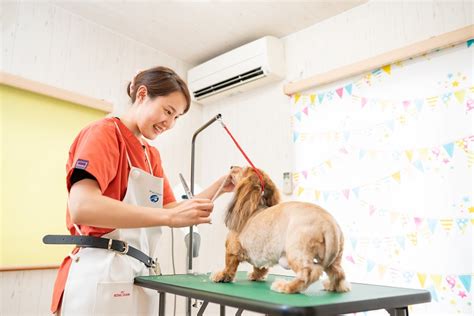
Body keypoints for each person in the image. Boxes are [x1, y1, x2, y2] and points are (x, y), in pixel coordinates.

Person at [49, 66, 234, 315]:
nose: (169, 124)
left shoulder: (151, 155)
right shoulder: (104, 133)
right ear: (142, 94)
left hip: (137, 270)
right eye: (168, 111)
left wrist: (221, 186)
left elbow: (171, 209)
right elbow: (82, 207)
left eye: (176, 118)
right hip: (101, 268)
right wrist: (168, 218)